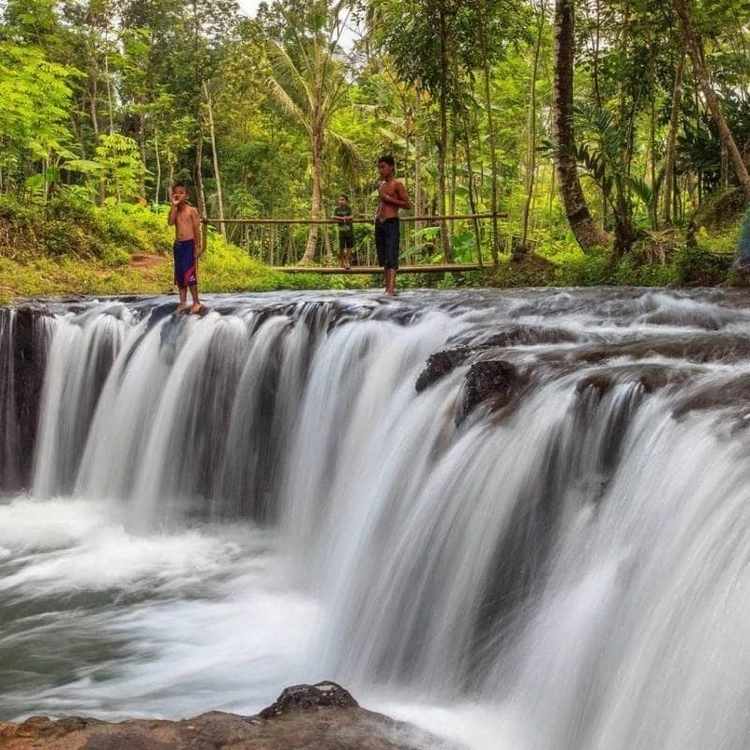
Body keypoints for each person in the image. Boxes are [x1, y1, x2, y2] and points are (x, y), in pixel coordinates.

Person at [375, 155, 411, 294]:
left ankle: (391, 287)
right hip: (380, 223)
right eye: (379, 168)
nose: (381, 170)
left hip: (391, 222)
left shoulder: (397, 184)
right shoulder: (381, 185)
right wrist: (377, 216)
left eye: (383, 167)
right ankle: (387, 288)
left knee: (391, 254)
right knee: (383, 255)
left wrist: (389, 198)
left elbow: (407, 205)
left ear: (391, 167)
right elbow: (381, 203)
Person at [168, 182, 203, 314]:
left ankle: (196, 301)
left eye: (182, 193)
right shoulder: (175, 211)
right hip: (178, 245)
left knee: (190, 274)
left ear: (187, 195)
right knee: (180, 274)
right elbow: (170, 222)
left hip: (189, 244)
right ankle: (183, 302)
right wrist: (174, 206)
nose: (179, 195)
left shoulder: (191, 210)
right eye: (176, 192)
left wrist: (198, 246)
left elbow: (196, 229)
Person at [333, 194, 355, 269]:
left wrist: (347, 217)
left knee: (349, 246)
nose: (341, 201)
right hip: (341, 231)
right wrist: (342, 218)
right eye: (340, 200)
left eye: (343, 200)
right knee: (341, 247)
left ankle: (347, 261)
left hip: (349, 230)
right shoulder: (337, 209)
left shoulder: (349, 208)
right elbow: (333, 217)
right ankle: (341, 262)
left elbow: (352, 216)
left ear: (346, 201)